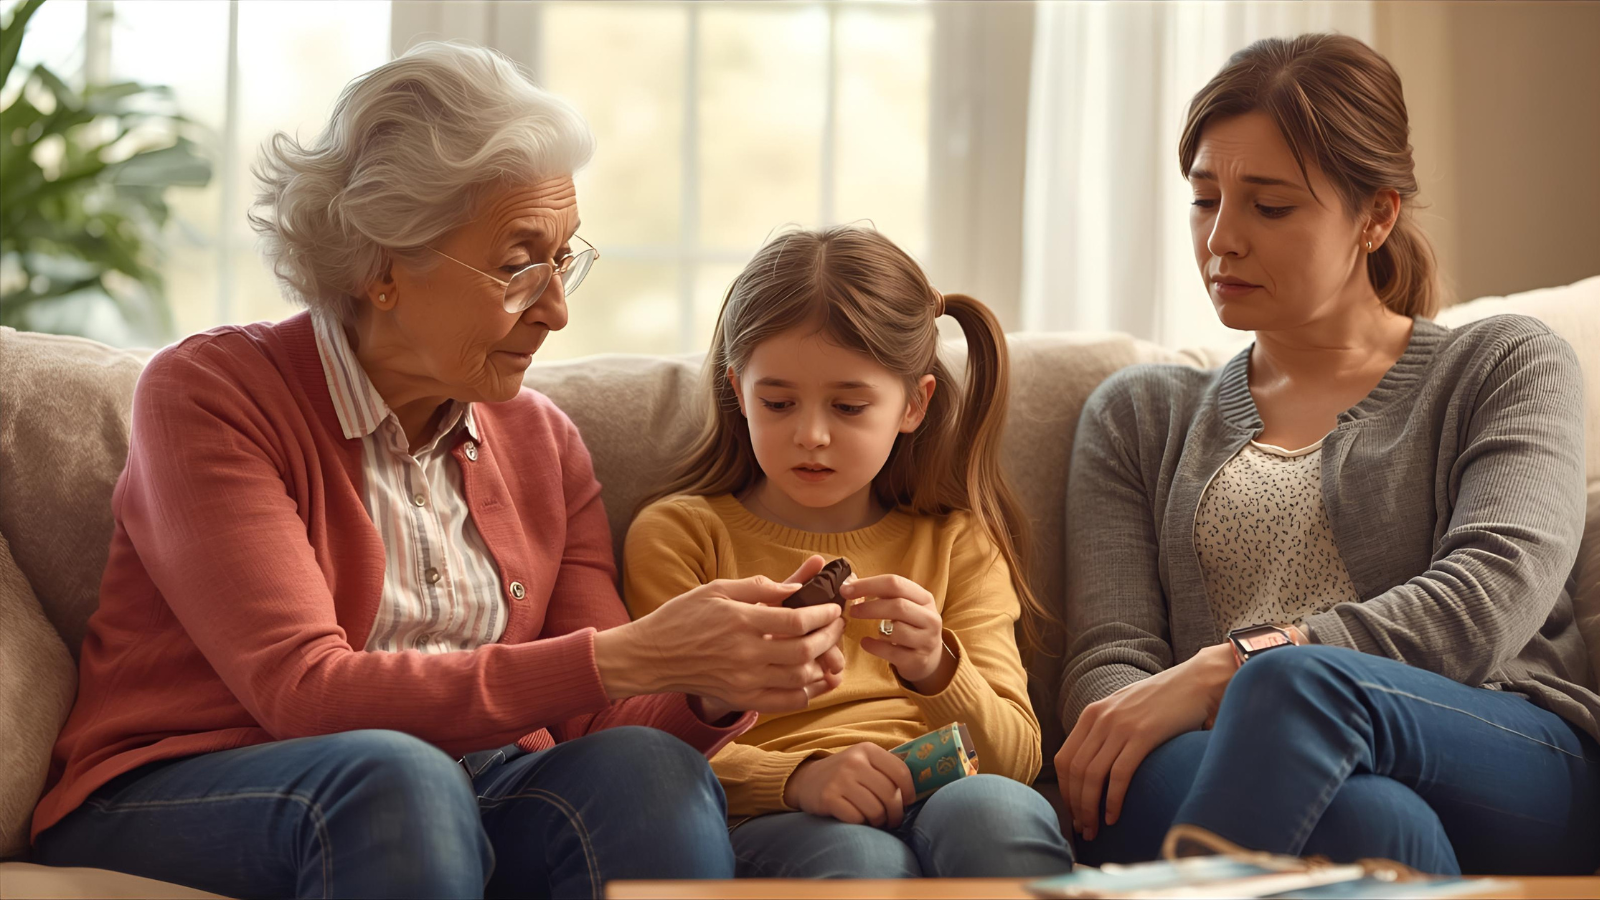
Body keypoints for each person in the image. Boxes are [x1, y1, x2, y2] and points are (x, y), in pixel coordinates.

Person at [32, 42, 848, 899]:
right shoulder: (212, 395)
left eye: (564, 258)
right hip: (196, 782)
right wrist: (626, 653)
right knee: (399, 781)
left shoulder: (543, 441)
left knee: (644, 769)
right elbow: (302, 692)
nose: (558, 309)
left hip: (466, 782)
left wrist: (713, 683)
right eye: (517, 264)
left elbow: (596, 719)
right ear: (384, 267)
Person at [1054, 33, 1600, 875]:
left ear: (1376, 216)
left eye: (1269, 207)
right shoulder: (1137, 415)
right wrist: (1206, 705)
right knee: (1369, 817)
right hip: (1227, 766)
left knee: (1286, 679)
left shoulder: (1503, 365)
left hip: (1499, 748)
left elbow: (1486, 599)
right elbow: (1112, 659)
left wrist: (1228, 667)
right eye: (1205, 201)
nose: (1221, 240)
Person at [624, 225, 1075, 879]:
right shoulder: (683, 535)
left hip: (945, 788)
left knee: (999, 817)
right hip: (776, 815)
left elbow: (1014, 759)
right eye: (777, 403)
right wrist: (798, 778)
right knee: (861, 859)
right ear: (737, 392)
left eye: (849, 406)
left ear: (913, 404)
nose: (811, 434)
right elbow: (650, 748)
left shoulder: (959, 543)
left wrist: (937, 668)